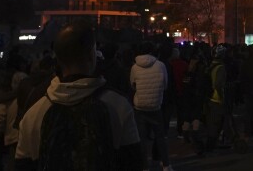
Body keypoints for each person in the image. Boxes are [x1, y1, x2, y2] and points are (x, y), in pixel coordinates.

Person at [14, 21, 142, 171]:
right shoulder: (118, 106)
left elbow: (23, 165)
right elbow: (133, 162)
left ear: (58, 59)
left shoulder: (33, 115)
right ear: (91, 55)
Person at [129, 42, 171, 171]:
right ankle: (166, 165)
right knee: (160, 137)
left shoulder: (135, 67)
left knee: (142, 139)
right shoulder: (160, 65)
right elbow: (165, 85)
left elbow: (132, 85)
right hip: (156, 105)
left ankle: (144, 167)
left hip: (140, 106)